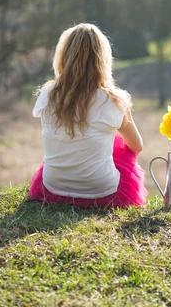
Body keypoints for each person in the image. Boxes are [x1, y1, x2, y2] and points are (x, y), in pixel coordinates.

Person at [28, 23, 148, 208]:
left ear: (63, 57)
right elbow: (137, 146)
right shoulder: (114, 99)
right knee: (118, 144)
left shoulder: (48, 94)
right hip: (102, 192)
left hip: (53, 187)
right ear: (102, 59)